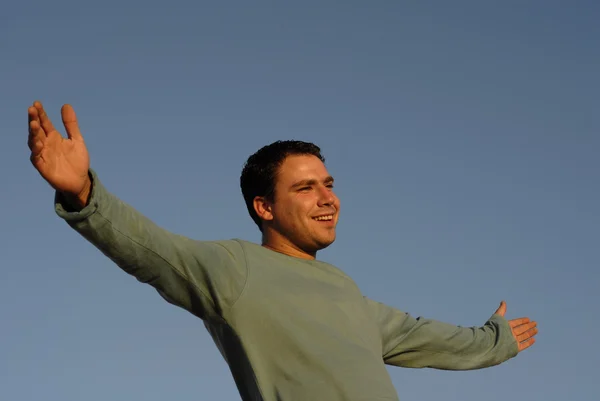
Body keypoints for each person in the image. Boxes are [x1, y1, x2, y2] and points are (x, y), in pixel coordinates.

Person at [27, 101, 537, 401]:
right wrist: (83, 194)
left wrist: (494, 340)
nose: (328, 199)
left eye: (328, 183)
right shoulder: (235, 272)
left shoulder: (346, 293)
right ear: (264, 207)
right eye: (305, 188)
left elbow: (427, 337)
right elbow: (153, 252)